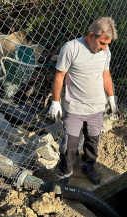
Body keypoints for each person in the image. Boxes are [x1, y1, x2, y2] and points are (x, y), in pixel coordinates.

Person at [48, 17, 118, 188]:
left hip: (96, 107)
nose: (104, 48)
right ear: (91, 35)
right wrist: (55, 102)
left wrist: (111, 98)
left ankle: (88, 166)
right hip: (75, 107)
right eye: (102, 43)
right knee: (69, 146)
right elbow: (60, 76)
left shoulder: (105, 51)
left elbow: (105, 75)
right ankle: (64, 175)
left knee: (93, 141)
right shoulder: (71, 48)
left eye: (107, 44)